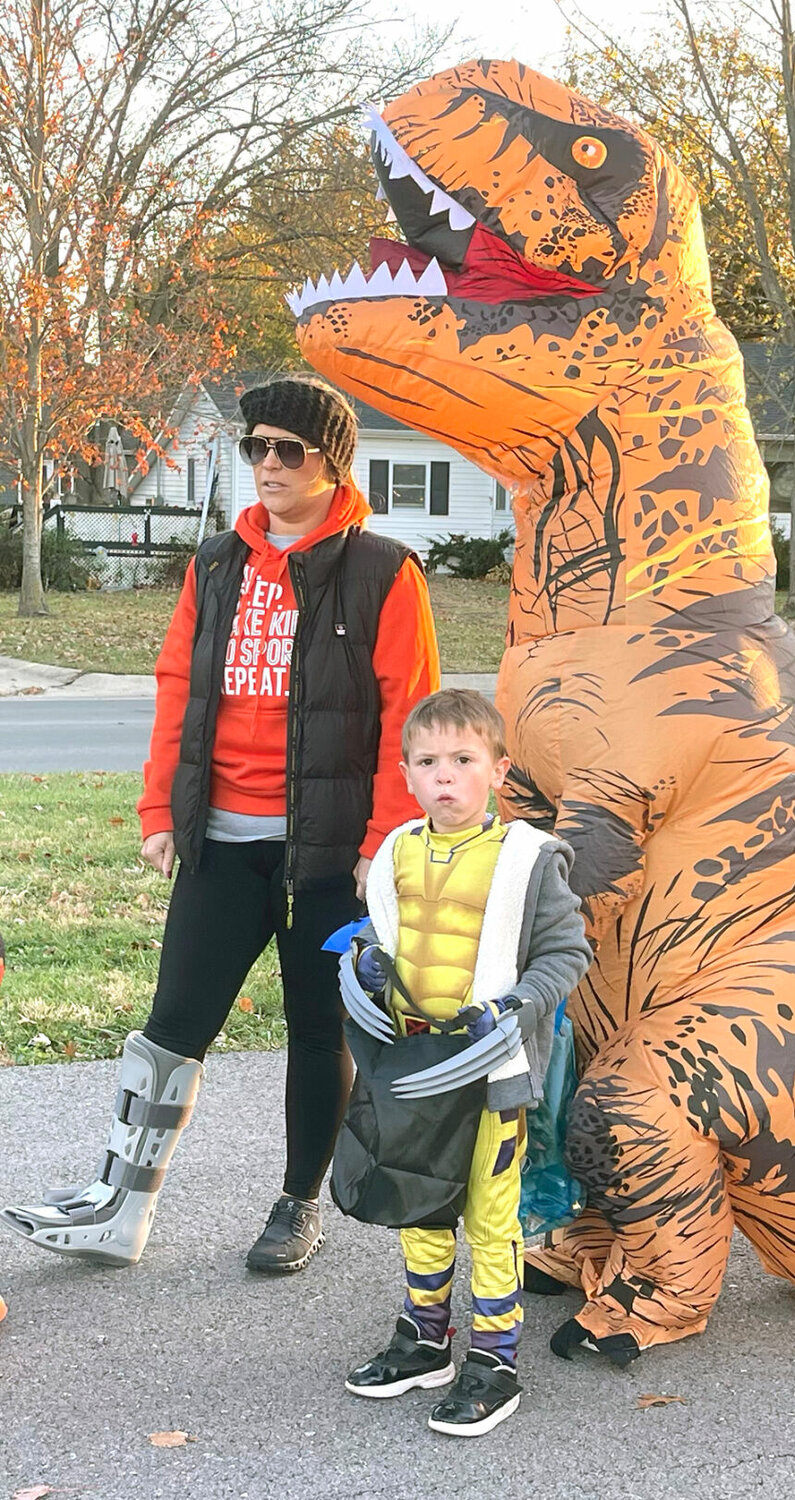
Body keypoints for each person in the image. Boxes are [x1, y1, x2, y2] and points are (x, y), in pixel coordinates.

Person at [1, 374, 439, 1271]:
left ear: (332, 462)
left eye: (290, 450)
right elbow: (178, 691)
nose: (268, 465)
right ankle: (120, 1207)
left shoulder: (384, 571)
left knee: (318, 1029)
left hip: (326, 855)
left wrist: (381, 845)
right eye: (257, 448)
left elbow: (411, 715)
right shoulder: (214, 565)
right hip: (221, 840)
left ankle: (295, 1205)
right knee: (173, 1024)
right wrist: (161, 806)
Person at [341, 688, 591, 1436]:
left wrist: (512, 1007)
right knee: (417, 1202)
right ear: (407, 773)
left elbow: (565, 952)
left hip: (488, 1067)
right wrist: (367, 966)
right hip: (408, 1061)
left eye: (462, 760)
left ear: (497, 770)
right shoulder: (393, 852)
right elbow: (375, 932)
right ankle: (425, 1341)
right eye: (427, 762)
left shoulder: (526, 859)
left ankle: (494, 1359)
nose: (444, 776)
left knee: (488, 1215)